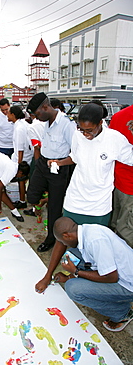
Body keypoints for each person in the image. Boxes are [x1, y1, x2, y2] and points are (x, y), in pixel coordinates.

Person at [36, 216, 133, 332]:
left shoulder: (95, 241)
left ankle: (123, 313)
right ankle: (77, 279)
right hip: (117, 272)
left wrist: (76, 272)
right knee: (72, 254)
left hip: (126, 284)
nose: (63, 244)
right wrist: (69, 276)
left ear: (67, 235)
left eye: (63, 241)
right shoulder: (86, 230)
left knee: (73, 289)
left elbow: (111, 277)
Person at [48, 103, 133, 228]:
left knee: (94, 242)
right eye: (82, 129)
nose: (85, 134)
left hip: (99, 205)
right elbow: (75, 157)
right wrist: (59, 162)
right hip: (75, 200)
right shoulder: (78, 135)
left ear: (100, 123)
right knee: (68, 236)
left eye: (89, 130)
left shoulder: (115, 139)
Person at [26, 92, 76, 252]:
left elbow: (76, 153)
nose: (36, 118)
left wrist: (59, 163)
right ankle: (40, 204)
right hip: (43, 162)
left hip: (58, 168)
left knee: (55, 206)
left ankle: (51, 238)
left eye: (37, 114)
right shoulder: (46, 120)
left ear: (45, 107)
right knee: (31, 195)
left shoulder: (67, 124)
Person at [109, 104, 133, 247]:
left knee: (115, 224)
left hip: (116, 181)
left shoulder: (118, 116)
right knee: (127, 230)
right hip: (129, 186)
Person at [7, 105, 33, 208]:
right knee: (22, 180)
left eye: (8, 113)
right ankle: (23, 198)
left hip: (22, 158)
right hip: (26, 156)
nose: (7, 115)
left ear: (13, 115)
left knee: (21, 180)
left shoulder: (19, 128)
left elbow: (20, 149)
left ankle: (22, 201)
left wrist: (19, 165)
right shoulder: (22, 124)